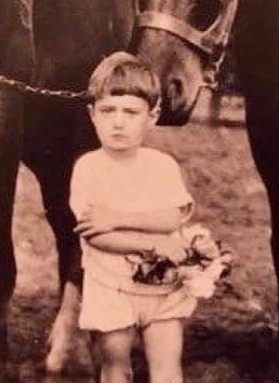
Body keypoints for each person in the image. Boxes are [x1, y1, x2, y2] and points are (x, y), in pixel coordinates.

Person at [70, 52, 197, 383]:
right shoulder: (88, 168)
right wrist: (153, 244)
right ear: (92, 114)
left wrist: (116, 216)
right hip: (111, 287)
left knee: (167, 369)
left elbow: (171, 217)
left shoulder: (161, 165)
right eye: (108, 111)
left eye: (131, 112)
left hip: (163, 288)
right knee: (115, 367)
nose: (118, 121)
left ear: (152, 116)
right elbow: (97, 234)